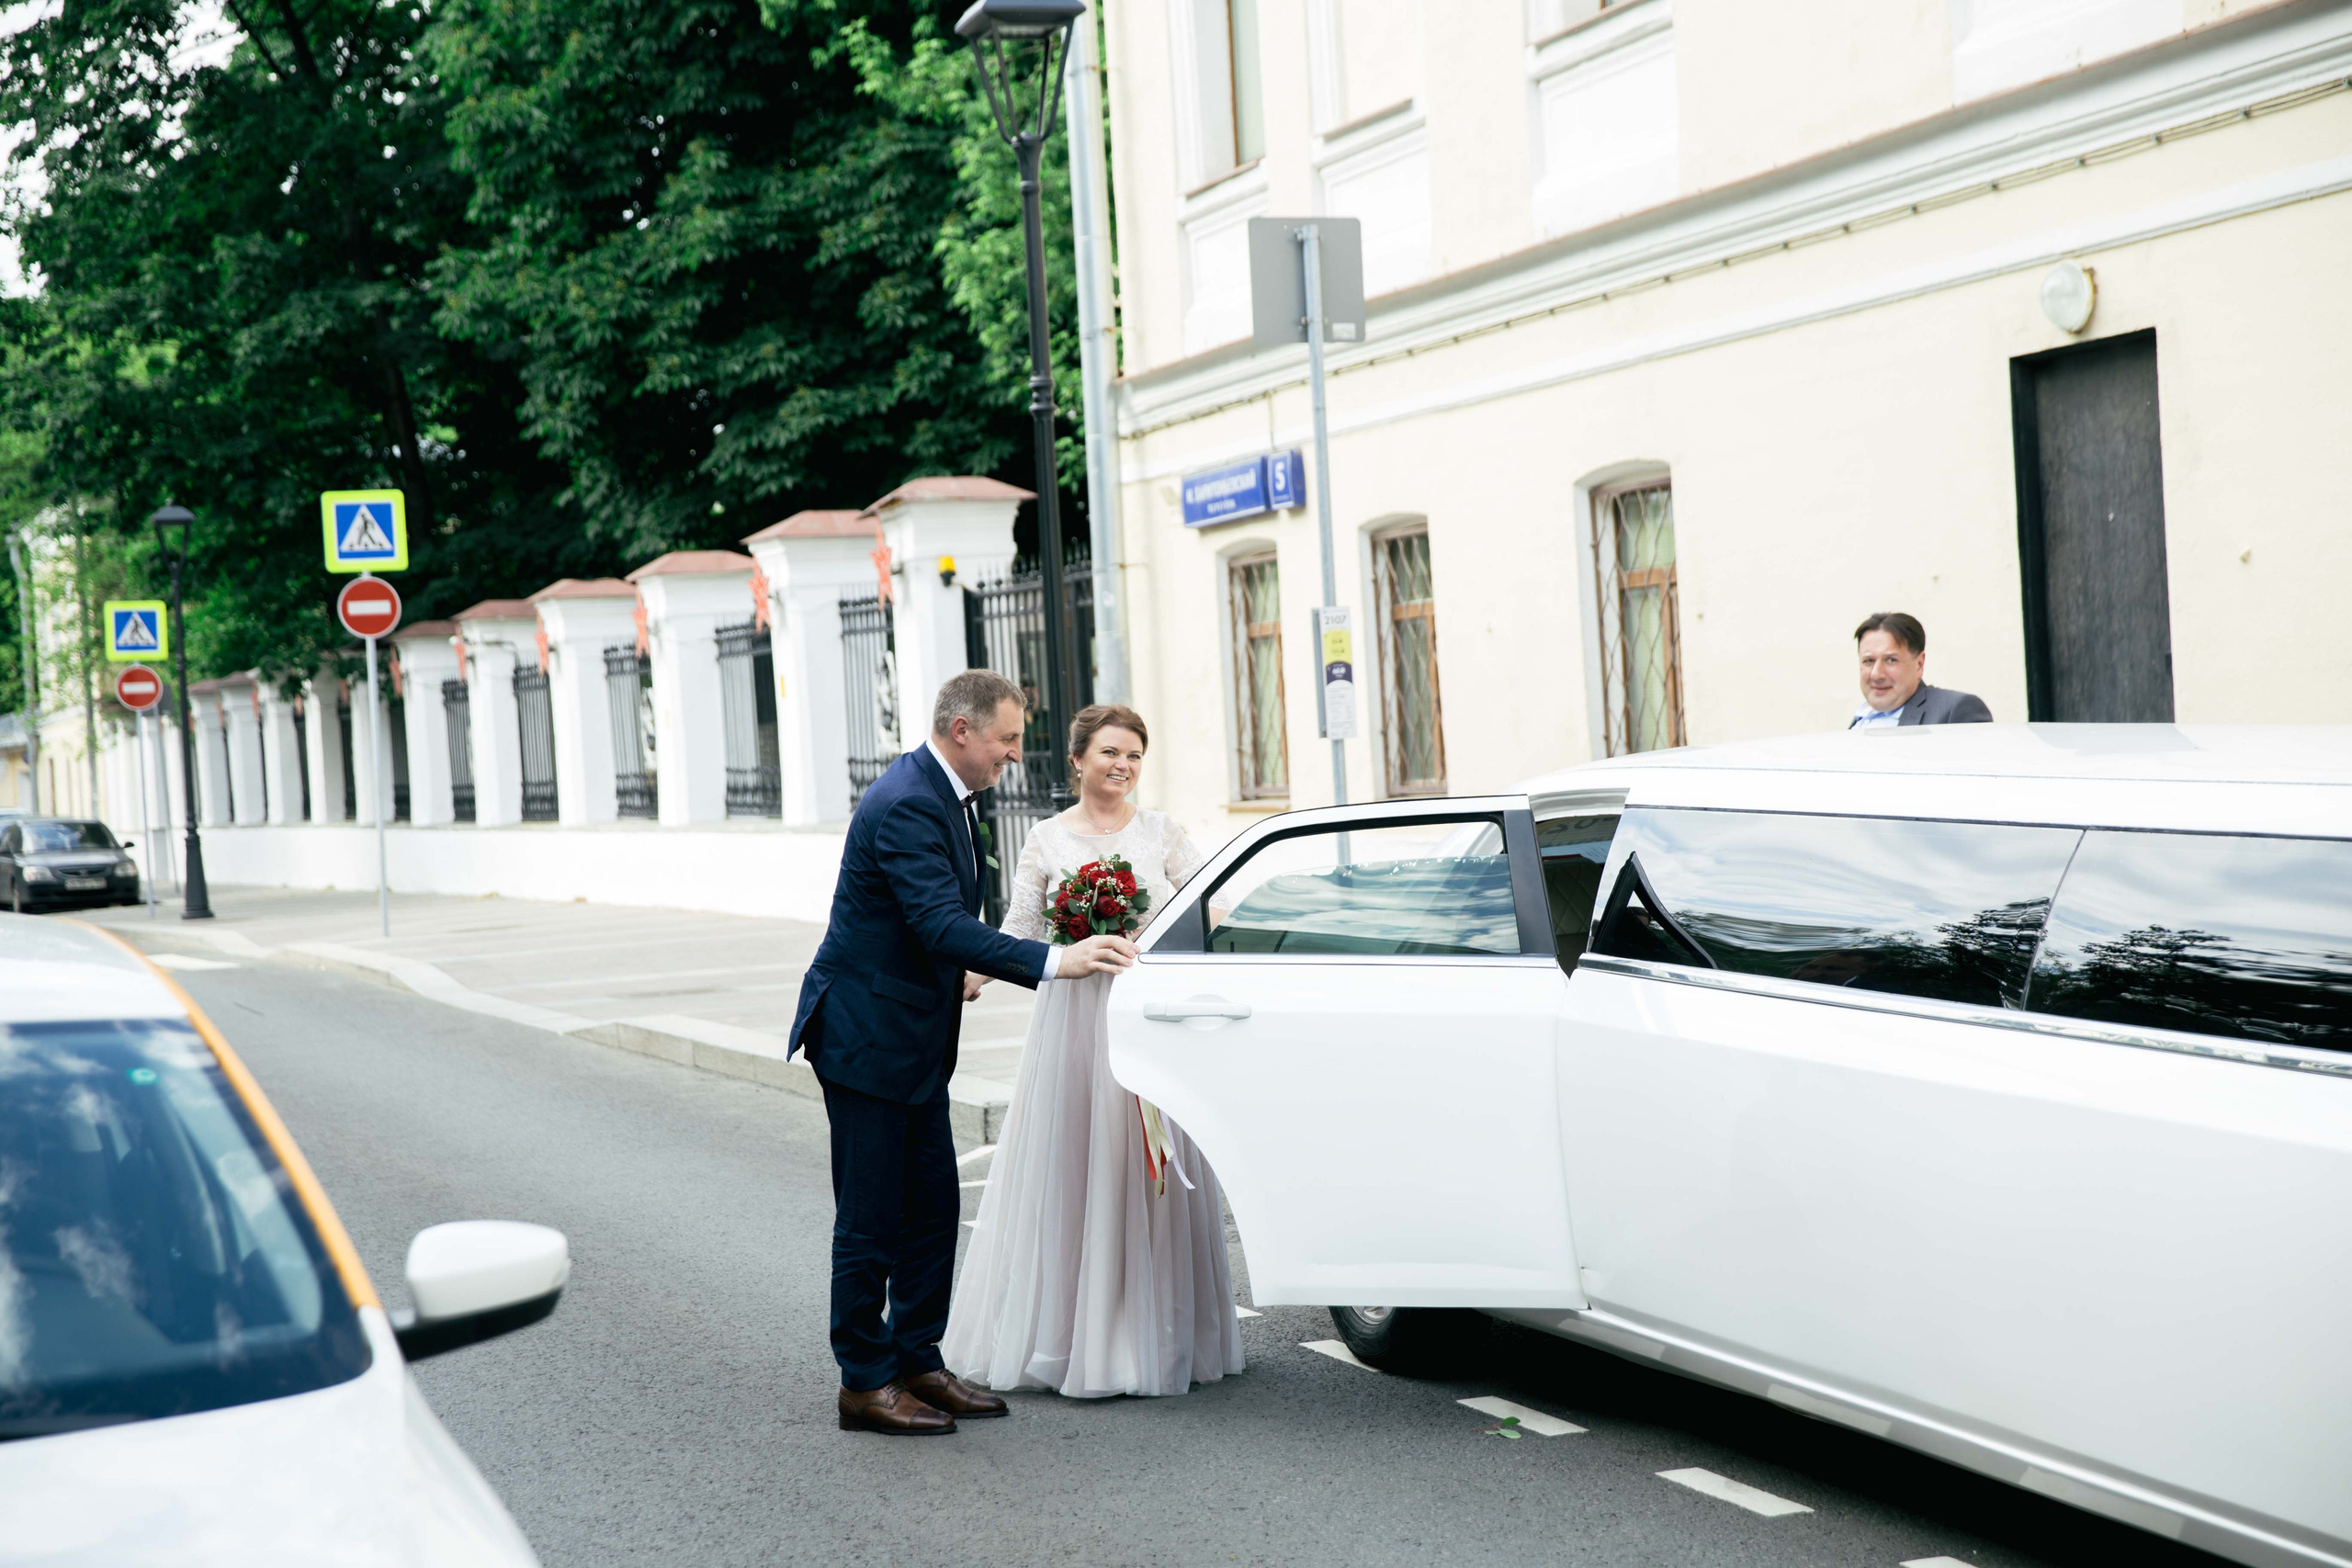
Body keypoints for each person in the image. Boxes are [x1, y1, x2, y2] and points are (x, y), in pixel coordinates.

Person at [790, 671, 1139, 1436]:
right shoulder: (911, 800)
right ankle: (864, 1380)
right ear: (962, 732)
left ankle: (918, 1358)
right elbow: (939, 924)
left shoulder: (949, 793)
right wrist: (1057, 960)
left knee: (933, 1208)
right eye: (1008, 739)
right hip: (865, 1036)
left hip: (909, 1034)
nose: (1015, 753)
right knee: (871, 1218)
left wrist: (971, 971)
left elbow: (945, 929)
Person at [943, 705, 1245, 1400]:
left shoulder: (1162, 831)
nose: (1124, 765)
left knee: (1151, 1174)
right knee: (1080, 1169)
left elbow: (1208, 905)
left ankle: (1159, 1338)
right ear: (1077, 759)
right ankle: (1078, 1338)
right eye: (1111, 751)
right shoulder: (1046, 838)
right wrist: (976, 972)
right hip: (1077, 1021)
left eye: (1135, 755)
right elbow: (1020, 922)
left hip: (1151, 1013)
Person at [1849, 612, 1992, 728]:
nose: (1876, 674)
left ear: (1919, 664)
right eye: (1868, 661)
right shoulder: (1861, 718)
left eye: (1891, 660)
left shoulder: (1955, 711)